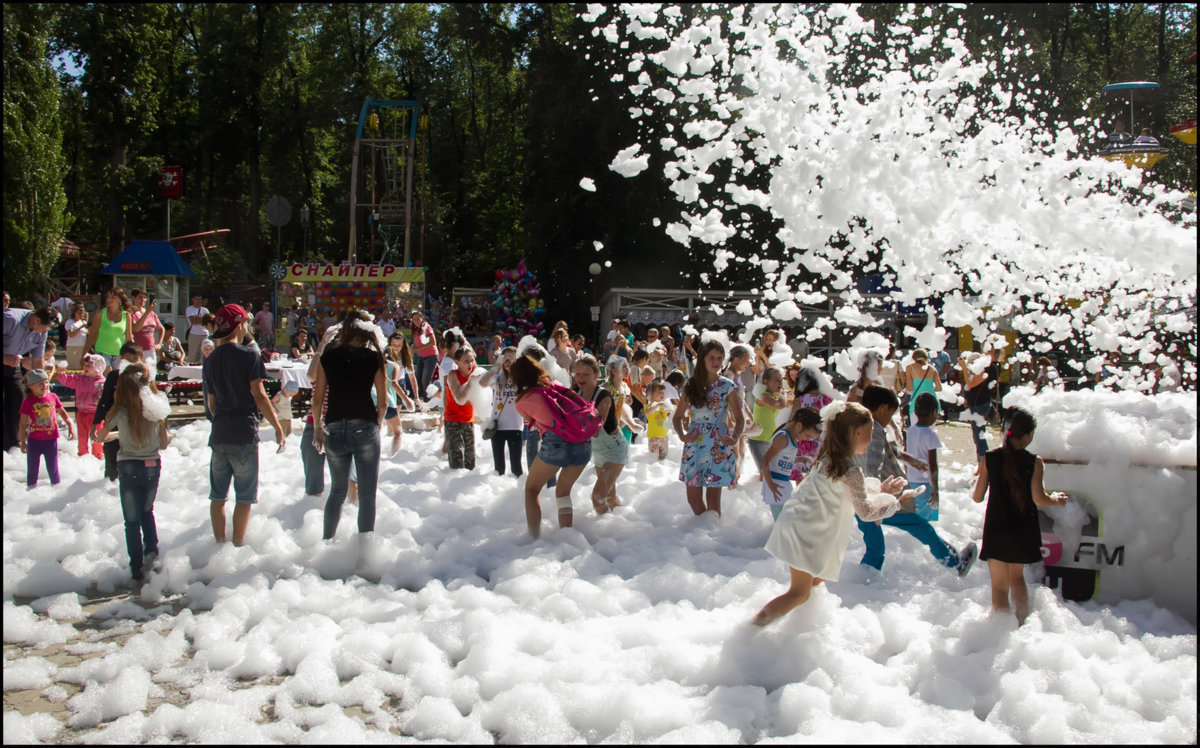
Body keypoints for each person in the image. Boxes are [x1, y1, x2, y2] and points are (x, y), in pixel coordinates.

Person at [753, 401, 917, 626]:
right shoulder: (848, 468)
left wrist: (881, 489)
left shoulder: (828, 457)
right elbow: (866, 511)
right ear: (856, 432)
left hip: (803, 525)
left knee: (816, 582)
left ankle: (798, 632)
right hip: (807, 532)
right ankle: (751, 631)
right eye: (869, 434)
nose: (871, 440)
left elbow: (845, 492)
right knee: (800, 593)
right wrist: (897, 502)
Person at [855, 385, 977, 577]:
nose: (891, 420)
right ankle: (954, 564)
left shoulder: (861, 428)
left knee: (878, 545)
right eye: (891, 414)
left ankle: (860, 585)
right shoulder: (873, 433)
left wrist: (909, 459)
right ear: (884, 409)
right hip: (874, 500)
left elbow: (887, 452)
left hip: (864, 499)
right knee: (917, 527)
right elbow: (873, 467)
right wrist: (877, 500)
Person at [971, 407, 1069, 624]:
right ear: (1027, 435)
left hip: (997, 528)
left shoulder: (990, 458)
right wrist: (1057, 500)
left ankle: (998, 631)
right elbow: (1039, 499)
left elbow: (977, 498)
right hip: (1023, 529)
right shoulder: (1034, 462)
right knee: (1017, 579)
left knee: (998, 586)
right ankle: (1021, 624)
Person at [203, 304, 285, 546]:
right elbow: (259, 396)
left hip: (219, 433)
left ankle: (219, 545)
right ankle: (237, 545)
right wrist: (278, 427)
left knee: (217, 496)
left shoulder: (211, 359)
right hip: (244, 432)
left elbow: (212, 405)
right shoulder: (250, 355)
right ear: (240, 325)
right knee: (244, 497)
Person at [311, 310, 387, 541]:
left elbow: (317, 399)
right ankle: (364, 549)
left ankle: (327, 542)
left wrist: (317, 427)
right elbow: (382, 402)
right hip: (364, 424)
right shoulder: (373, 358)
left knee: (336, 491)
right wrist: (378, 425)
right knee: (366, 494)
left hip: (333, 426)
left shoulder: (329, 357)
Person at [95, 362, 170, 581]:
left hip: (128, 465)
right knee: (148, 512)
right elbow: (163, 444)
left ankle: (136, 567)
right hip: (152, 465)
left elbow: (101, 437)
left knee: (131, 521)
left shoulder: (120, 409)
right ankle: (152, 555)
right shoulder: (156, 409)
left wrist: (118, 436)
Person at [512, 353, 594, 537]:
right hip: (583, 442)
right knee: (563, 491)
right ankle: (567, 537)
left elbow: (534, 423)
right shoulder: (556, 387)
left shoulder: (522, 402)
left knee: (532, 489)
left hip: (556, 443)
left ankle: (534, 537)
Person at [673, 339, 744, 517]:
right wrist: (682, 435)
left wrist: (734, 437)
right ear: (702, 358)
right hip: (695, 445)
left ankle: (712, 535)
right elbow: (677, 417)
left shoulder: (727, 386)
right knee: (693, 498)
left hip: (718, 444)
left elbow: (739, 418)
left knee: (714, 501)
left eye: (719, 358)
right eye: (711, 357)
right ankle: (702, 531)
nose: (716, 362)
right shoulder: (691, 385)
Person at [575, 353, 627, 514]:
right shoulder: (577, 395)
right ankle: (620, 528)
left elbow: (596, 429)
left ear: (597, 375)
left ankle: (609, 530)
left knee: (597, 497)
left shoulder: (603, 395)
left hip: (615, 449)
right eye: (578, 374)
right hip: (598, 452)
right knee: (610, 496)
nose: (581, 378)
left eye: (586, 374)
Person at [4, 305, 58, 452]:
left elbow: (37, 361)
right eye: (43, 328)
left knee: (18, 398)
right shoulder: (10, 319)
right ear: (35, 320)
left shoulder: (41, 332)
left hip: (12, 364)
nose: (43, 332)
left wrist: (41, 387)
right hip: (6, 357)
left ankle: (12, 444)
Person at [90, 342, 144, 482]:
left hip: (136, 423)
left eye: (134, 359)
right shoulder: (114, 376)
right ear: (120, 359)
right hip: (114, 421)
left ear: (141, 357)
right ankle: (110, 484)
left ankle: (133, 481)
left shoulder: (144, 377)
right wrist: (96, 423)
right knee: (112, 454)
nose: (130, 363)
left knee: (135, 456)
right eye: (126, 360)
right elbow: (105, 401)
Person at [760, 406, 822, 521]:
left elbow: (781, 459)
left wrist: (801, 459)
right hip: (775, 484)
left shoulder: (793, 439)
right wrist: (771, 485)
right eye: (808, 435)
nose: (807, 439)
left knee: (786, 521)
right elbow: (765, 461)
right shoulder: (783, 438)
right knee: (781, 523)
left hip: (782, 483)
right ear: (799, 426)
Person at [18, 368, 75, 487]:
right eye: (40, 384)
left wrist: (69, 424)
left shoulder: (53, 396)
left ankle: (56, 490)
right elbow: (22, 423)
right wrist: (23, 441)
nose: (44, 386)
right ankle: (31, 491)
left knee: (53, 468)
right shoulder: (28, 401)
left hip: (51, 439)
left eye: (46, 382)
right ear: (31, 386)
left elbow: (62, 411)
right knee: (33, 469)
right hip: (34, 440)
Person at [480, 346, 523, 477]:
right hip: (497, 426)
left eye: (511, 356)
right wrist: (496, 366)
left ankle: (516, 493)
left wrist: (515, 366)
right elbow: (482, 382)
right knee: (498, 467)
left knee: (516, 465)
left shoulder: (521, 377)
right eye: (505, 357)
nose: (508, 360)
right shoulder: (498, 377)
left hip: (515, 426)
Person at [55, 353, 107, 459]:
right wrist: (60, 373)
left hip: (96, 414)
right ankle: (83, 455)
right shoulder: (80, 379)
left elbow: (103, 397)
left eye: (89, 366)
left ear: (98, 368)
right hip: (81, 412)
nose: (84, 367)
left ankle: (98, 456)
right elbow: (67, 380)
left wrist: (99, 398)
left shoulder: (102, 382)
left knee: (96, 436)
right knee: (82, 436)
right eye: (84, 365)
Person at [905, 392, 944, 522]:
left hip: (911, 480)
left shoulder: (910, 431)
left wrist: (906, 475)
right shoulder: (931, 434)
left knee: (915, 515)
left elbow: (906, 456)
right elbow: (933, 465)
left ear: (915, 412)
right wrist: (936, 489)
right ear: (934, 413)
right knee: (925, 520)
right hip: (926, 482)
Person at [959, 348, 999, 465]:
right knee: (977, 436)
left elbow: (971, 383)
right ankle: (981, 464)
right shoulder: (991, 366)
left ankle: (984, 466)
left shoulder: (989, 367)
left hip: (979, 404)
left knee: (979, 436)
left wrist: (964, 367)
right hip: (978, 404)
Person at [747, 366, 788, 481]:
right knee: (766, 474)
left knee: (774, 473)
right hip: (758, 441)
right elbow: (779, 405)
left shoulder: (774, 396)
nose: (780, 383)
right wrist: (784, 395)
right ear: (766, 382)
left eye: (781, 380)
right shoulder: (762, 396)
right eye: (776, 380)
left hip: (771, 440)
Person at [443, 346, 478, 470]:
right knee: (457, 459)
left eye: (471, 360)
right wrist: (471, 383)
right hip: (453, 420)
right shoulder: (453, 375)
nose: (470, 364)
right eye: (466, 361)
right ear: (456, 363)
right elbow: (459, 398)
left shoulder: (474, 371)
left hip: (468, 420)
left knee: (470, 460)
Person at [85, 288, 133, 372]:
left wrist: (133, 354)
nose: (109, 299)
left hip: (119, 354)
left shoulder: (126, 315)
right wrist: (84, 354)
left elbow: (129, 337)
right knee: (108, 372)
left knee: (116, 381)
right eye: (108, 297)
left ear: (119, 299)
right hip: (101, 352)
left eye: (113, 297)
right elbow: (91, 335)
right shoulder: (100, 314)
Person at [903, 348, 942, 425]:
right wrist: (929, 388)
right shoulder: (932, 368)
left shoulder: (910, 367)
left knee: (916, 429)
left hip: (916, 402)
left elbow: (910, 388)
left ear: (913, 357)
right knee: (930, 430)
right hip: (931, 402)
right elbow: (939, 388)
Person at [129, 289, 164, 369]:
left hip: (150, 350)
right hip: (136, 351)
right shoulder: (131, 313)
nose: (143, 300)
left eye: (144, 297)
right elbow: (136, 329)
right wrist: (147, 312)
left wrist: (159, 343)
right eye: (140, 297)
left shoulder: (151, 313)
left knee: (151, 375)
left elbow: (161, 328)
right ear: (133, 298)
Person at [410, 310, 439, 402]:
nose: (416, 321)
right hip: (422, 356)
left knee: (426, 380)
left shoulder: (426, 327)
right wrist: (412, 349)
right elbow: (415, 343)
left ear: (422, 318)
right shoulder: (415, 329)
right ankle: (424, 399)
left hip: (431, 356)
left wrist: (417, 349)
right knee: (418, 378)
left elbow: (433, 342)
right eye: (414, 319)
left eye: (418, 318)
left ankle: (428, 401)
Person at [643, 381, 671, 461]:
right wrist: (657, 405)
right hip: (653, 437)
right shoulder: (648, 406)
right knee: (653, 459)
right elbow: (648, 412)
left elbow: (671, 411)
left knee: (663, 459)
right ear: (652, 394)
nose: (662, 395)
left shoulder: (664, 406)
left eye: (663, 392)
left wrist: (671, 409)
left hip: (664, 436)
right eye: (660, 392)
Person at [184, 293, 210, 363]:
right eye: (197, 299)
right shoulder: (189, 309)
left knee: (204, 354)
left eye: (200, 299)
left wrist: (198, 319)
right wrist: (203, 319)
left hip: (205, 334)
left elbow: (208, 322)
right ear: (193, 299)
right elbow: (193, 321)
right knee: (192, 356)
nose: (199, 301)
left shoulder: (205, 310)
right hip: (194, 334)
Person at [64, 304, 89, 369]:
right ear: (74, 313)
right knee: (72, 366)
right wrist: (80, 327)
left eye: (83, 313)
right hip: (73, 346)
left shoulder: (83, 322)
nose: (81, 315)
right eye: (79, 313)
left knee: (81, 366)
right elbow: (71, 335)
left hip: (83, 346)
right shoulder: (70, 322)